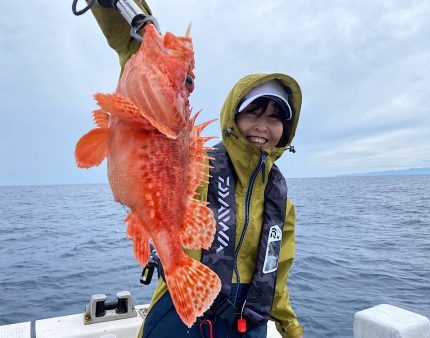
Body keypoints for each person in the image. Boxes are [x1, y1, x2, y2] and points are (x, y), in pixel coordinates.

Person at [89, 2, 304, 337]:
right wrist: (126, 12)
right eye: (254, 112)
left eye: (275, 117)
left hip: (250, 326)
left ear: (286, 130)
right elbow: (133, 47)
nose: (263, 125)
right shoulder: (201, 166)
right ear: (233, 117)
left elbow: (276, 274)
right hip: (180, 318)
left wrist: (289, 326)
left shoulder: (281, 201)